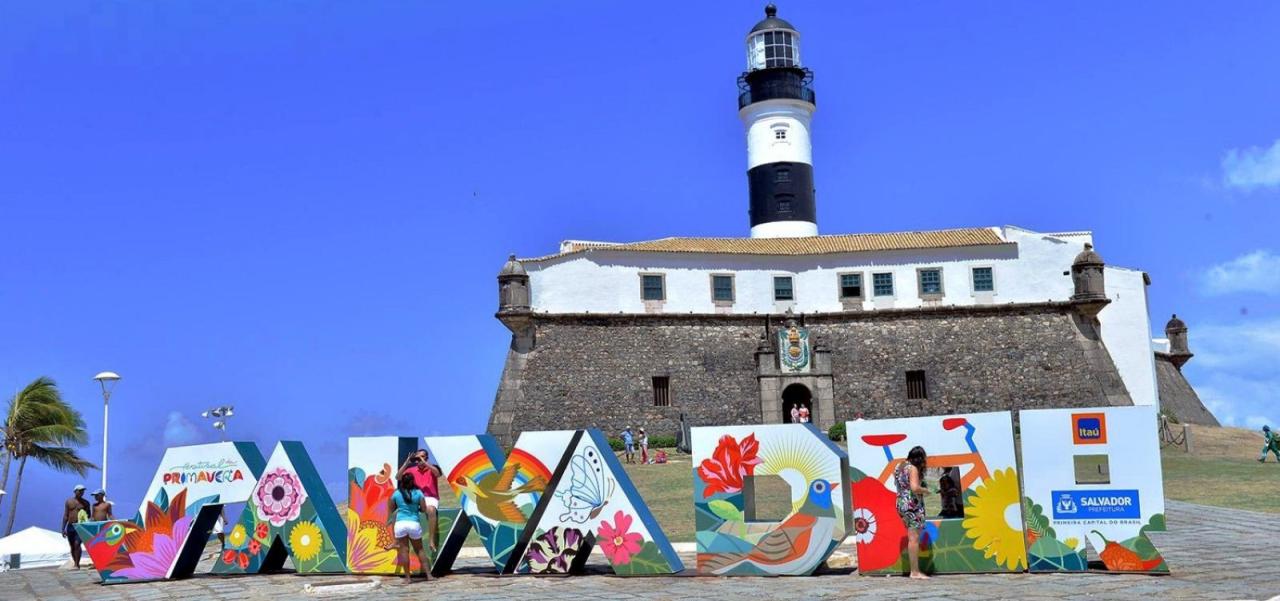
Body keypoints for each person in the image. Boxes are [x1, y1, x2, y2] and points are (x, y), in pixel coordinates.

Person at [387, 472, 431, 584]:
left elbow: (391, 508)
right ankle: (429, 576)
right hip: (414, 523)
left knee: (404, 551)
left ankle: (408, 578)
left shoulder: (396, 494)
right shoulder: (418, 493)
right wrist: (417, 509)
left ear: (402, 482)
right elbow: (424, 509)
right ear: (413, 481)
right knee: (420, 550)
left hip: (400, 524)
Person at [894, 446, 931, 579]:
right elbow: (914, 488)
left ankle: (914, 570)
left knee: (911, 537)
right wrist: (926, 490)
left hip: (901, 503)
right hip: (912, 505)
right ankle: (914, 572)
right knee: (914, 539)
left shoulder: (899, 466)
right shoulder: (913, 468)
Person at [398, 449, 442, 553]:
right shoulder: (412, 470)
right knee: (397, 512)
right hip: (416, 497)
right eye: (417, 458)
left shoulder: (433, 468)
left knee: (431, 510)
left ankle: (431, 541)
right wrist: (406, 463)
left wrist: (425, 463)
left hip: (430, 497)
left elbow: (438, 474)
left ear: (427, 458)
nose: (419, 460)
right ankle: (397, 541)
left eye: (422, 457)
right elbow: (398, 477)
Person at [60, 484, 90, 569]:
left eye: (83, 491)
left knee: (77, 544)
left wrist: (84, 518)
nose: (81, 492)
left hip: (80, 526)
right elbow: (66, 515)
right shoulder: (69, 501)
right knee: (72, 545)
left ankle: (77, 564)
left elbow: (89, 515)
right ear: (75, 491)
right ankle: (75, 562)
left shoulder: (86, 503)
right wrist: (63, 529)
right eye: (80, 491)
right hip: (70, 526)